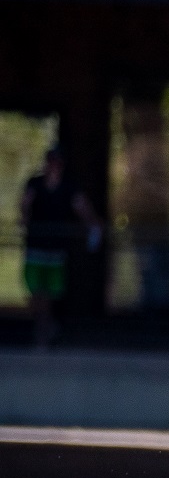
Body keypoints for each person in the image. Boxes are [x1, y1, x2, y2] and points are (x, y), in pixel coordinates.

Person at [18, 147, 102, 351]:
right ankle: (44, 327)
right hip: (35, 248)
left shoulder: (69, 187)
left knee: (49, 294)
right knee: (34, 291)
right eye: (51, 162)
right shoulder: (35, 183)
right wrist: (24, 218)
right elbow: (25, 205)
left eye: (57, 163)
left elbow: (82, 207)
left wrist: (93, 226)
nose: (54, 166)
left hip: (55, 251)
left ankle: (44, 332)